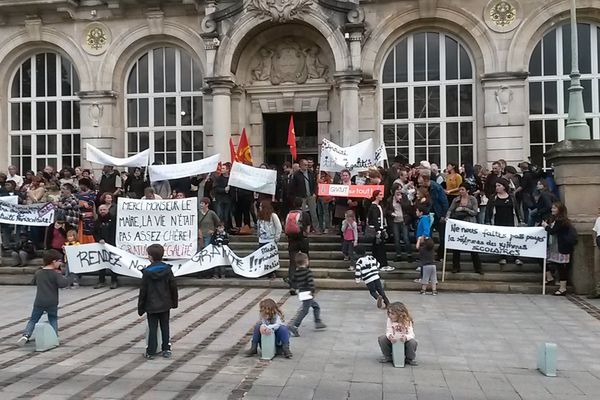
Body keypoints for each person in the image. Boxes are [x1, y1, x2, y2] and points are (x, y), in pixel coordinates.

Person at [17, 249, 71, 346]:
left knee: (33, 319)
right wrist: (66, 277)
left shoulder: (39, 272)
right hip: (52, 302)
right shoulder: (55, 274)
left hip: (39, 301)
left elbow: (33, 281)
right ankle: (54, 336)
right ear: (54, 261)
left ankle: (26, 335)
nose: (60, 263)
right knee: (53, 319)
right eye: (59, 261)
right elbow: (63, 284)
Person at [138, 244, 179, 359]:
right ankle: (166, 349)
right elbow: (173, 287)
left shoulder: (147, 273)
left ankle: (151, 351)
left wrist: (141, 307)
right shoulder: (167, 270)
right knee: (165, 326)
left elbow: (143, 291)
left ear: (150, 257)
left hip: (151, 304)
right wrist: (174, 302)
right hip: (165, 303)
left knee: (152, 327)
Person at [485, 178, 523, 266]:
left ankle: (516, 257)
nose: (497, 188)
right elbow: (488, 210)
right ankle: (503, 257)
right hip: (498, 221)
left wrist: (520, 220)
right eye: (496, 186)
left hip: (510, 221)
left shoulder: (511, 197)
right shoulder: (493, 198)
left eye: (499, 186)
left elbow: (516, 209)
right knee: (501, 240)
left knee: (512, 240)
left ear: (504, 187)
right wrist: (487, 221)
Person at [446, 184, 483, 274]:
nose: (460, 192)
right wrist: (448, 217)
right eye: (460, 190)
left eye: (462, 190)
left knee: (472, 247)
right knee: (456, 247)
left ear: (467, 191)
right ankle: (456, 267)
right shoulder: (456, 199)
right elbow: (450, 210)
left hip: (470, 224)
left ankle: (478, 268)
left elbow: (475, 212)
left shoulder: (473, 199)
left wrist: (464, 209)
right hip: (459, 224)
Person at [543, 202, 577, 296]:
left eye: (554, 208)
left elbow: (553, 231)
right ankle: (557, 283)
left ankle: (563, 288)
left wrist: (546, 226)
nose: (552, 209)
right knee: (558, 266)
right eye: (552, 208)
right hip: (556, 245)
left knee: (562, 268)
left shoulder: (561, 220)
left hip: (561, 246)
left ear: (560, 210)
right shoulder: (556, 219)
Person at [288, 252, 326, 337]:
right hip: (308, 292)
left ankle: (318, 322)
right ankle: (294, 326)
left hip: (301, 292)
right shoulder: (308, 272)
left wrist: (291, 285)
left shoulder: (297, 272)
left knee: (315, 306)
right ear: (306, 261)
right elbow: (310, 282)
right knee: (304, 311)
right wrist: (313, 290)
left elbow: (292, 280)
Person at [284, 197, 311, 294]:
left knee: (292, 263)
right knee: (305, 261)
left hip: (292, 241)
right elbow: (308, 229)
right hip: (303, 240)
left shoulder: (289, 214)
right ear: (301, 204)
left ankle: (292, 286)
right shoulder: (305, 214)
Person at [290, 159, 319, 233]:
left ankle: (316, 228)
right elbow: (293, 186)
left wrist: (314, 193)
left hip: (311, 195)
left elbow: (314, 183)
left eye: (307, 165)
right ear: (300, 166)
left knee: (313, 213)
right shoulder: (296, 174)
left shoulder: (310, 173)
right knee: (302, 213)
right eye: (305, 165)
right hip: (301, 196)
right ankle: (303, 228)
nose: (307, 166)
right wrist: (296, 196)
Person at [367, 190, 393, 271]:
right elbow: (375, 219)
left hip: (379, 229)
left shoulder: (378, 206)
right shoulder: (374, 207)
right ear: (376, 196)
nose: (382, 196)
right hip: (377, 230)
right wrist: (378, 230)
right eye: (380, 195)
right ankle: (382, 264)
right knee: (380, 248)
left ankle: (376, 264)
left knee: (376, 248)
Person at [93, 204, 119, 289]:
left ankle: (114, 281)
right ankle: (101, 281)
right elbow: (94, 232)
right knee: (101, 264)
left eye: (104, 209)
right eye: (101, 210)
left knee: (113, 263)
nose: (102, 211)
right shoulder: (97, 221)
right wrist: (99, 239)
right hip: (101, 245)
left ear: (107, 210)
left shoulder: (114, 219)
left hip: (112, 245)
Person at [386, 184, 413, 262]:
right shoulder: (390, 199)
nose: (399, 191)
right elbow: (387, 210)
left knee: (406, 237)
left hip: (403, 220)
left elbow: (408, 206)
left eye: (400, 189)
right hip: (395, 221)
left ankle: (409, 254)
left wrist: (400, 201)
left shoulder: (404, 197)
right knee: (396, 238)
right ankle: (398, 255)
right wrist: (391, 213)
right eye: (398, 189)